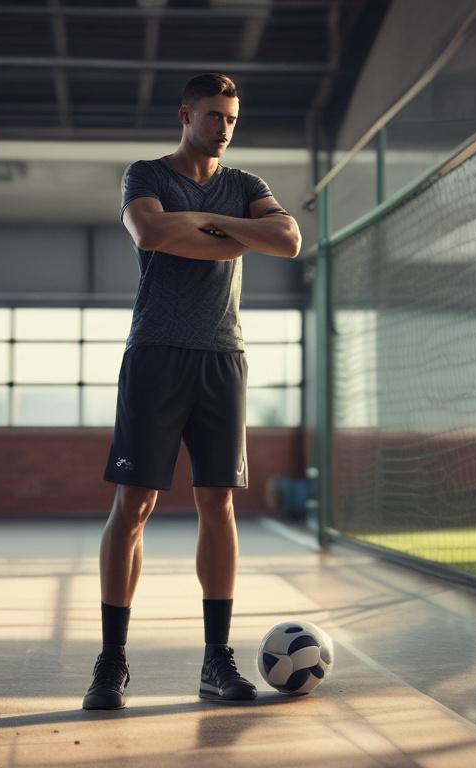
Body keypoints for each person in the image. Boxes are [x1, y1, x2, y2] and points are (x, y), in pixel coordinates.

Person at [82, 73, 301, 709]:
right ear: (185, 115)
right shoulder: (146, 174)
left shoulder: (247, 185)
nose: (224, 128)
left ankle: (216, 660)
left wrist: (202, 224)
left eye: (231, 118)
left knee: (218, 502)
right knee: (134, 503)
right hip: (155, 352)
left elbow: (288, 241)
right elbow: (150, 233)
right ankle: (111, 662)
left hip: (222, 356)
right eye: (213, 116)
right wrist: (233, 233)